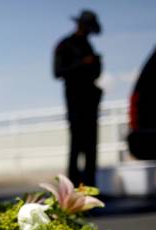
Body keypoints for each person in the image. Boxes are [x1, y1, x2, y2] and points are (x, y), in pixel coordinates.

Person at [54, 10, 103, 186]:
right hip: (75, 102)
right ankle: (73, 187)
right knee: (76, 145)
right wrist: (83, 63)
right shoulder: (65, 45)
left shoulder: (88, 46)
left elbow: (96, 74)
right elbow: (58, 72)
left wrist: (96, 63)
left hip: (91, 102)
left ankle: (91, 185)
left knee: (91, 146)